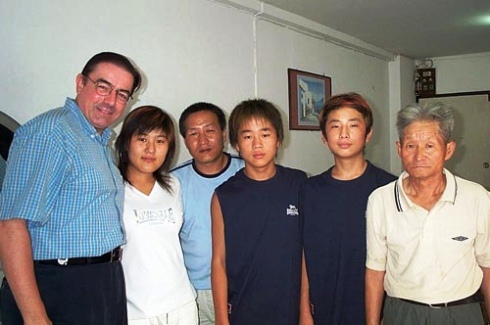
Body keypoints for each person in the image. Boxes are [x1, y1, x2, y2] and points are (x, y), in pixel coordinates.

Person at [0, 52, 141, 325]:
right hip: (59, 284)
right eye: (103, 87)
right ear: (80, 83)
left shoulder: (97, 141)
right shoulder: (50, 132)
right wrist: (34, 316)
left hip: (101, 280)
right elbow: (11, 226)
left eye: (122, 94)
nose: (111, 101)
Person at [365, 102, 490, 325]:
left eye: (429, 146)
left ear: (448, 149)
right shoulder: (380, 200)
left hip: (462, 313)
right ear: (399, 148)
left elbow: (488, 267)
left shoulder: (477, 198)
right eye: (411, 145)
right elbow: (375, 271)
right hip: (402, 313)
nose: (419, 155)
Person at [301, 92, 396, 324]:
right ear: (324, 136)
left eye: (353, 125)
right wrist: (304, 310)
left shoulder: (389, 188)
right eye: (335, 126)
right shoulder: (308, 190)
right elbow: (302, 256)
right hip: (322, 310)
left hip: (375, 312)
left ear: (368, 134)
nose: (344, 134)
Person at [211, 98, 308, 325]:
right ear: (236, 144)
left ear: (278, 140)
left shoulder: (299, 183)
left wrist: (305, 311)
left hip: (290, 309)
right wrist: (221, 319)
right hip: (244, 309)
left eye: (265, 134)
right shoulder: (224, 195)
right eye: (247, 136)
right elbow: (218, 261)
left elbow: (307, 252)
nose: (257, 144)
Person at [115, 106, 198, 325]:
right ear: (126, 142)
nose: (151, 149)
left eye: (160, 141)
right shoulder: (112, 189)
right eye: (142, 139)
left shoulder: (173, 185)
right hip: (137, 311)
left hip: (182, 304)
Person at [171, 102, 244, 324]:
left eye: (210, 131)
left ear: (223, 134)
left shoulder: (248, 171)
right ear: (185, 140)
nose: (203, 140)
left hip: (243, 284)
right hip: (196, 291)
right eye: (194, 133)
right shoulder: (173, 183)